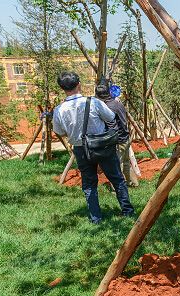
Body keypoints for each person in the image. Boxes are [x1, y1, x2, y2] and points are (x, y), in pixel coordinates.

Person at [53, 71, 134, 223]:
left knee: (89, 184)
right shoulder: (94, 102)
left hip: (80, 149)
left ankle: (95, 218)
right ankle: (127, 210)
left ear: (62, 88)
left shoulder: (59, 110)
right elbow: (110, 117)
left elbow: (60, 132)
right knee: (117, 179)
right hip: (102, 145)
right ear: (79, 85)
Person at [94, 83, 136, 187]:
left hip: (118, 140)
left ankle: (117, 187)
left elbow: (112, 126)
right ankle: (132, 183)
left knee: (117, 164)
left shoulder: (108, 107)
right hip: (125, 137)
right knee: (126, 162)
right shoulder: (117, 103)